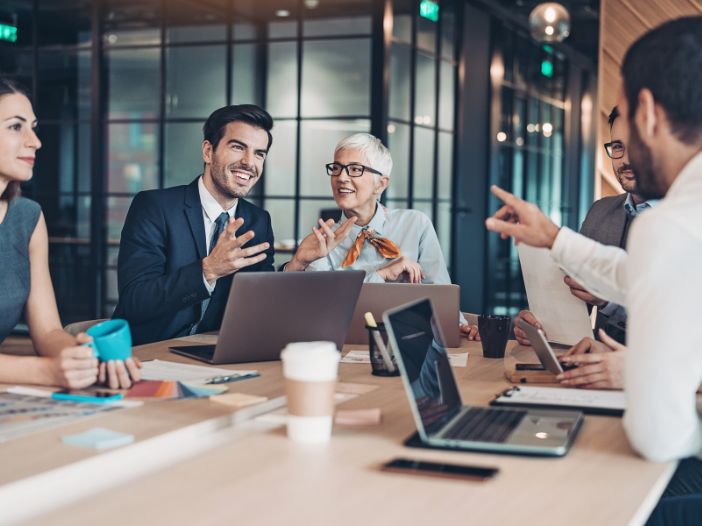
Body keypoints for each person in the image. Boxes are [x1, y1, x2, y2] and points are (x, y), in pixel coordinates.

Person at [485, 16, 702, 521]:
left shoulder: (670, 225)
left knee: (547, 487)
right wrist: (555, 239)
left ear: (645, 111)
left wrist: (653, 379)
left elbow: (658, 436)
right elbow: (643, 277)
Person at [0, 79, 139, 389]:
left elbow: (48, 331)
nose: (34, 141)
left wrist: (88, 357)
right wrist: (46, 372)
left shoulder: (28, 217)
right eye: (15, 127)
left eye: (33, 127)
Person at [283, 133, 479, 340]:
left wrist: (459, 325)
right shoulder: (322, 241)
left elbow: (440, 292)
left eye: (355, 169)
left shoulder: (415, 224)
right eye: (337, 168)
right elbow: (327, 310)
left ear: (381, 184)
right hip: (344, 349)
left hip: (410, 343)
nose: (341, 177)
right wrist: (383, 275)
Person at [114, 105, 275, 345]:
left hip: (216, 354)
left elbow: (260, 303)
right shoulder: (155, 207)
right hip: (149, 353)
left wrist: (297, 264)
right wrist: (207, 270)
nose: (249, 162)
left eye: (259, 153)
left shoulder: (257, 220)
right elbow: (135, 300)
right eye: (238, 147)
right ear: (208, 151)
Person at [515, 106, 658, 348]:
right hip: (594, 370)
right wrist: (538, 324)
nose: (626, 159)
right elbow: (575, 302)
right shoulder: (600, 212)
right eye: (617, 146)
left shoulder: (689, 220)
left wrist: (610, 300)